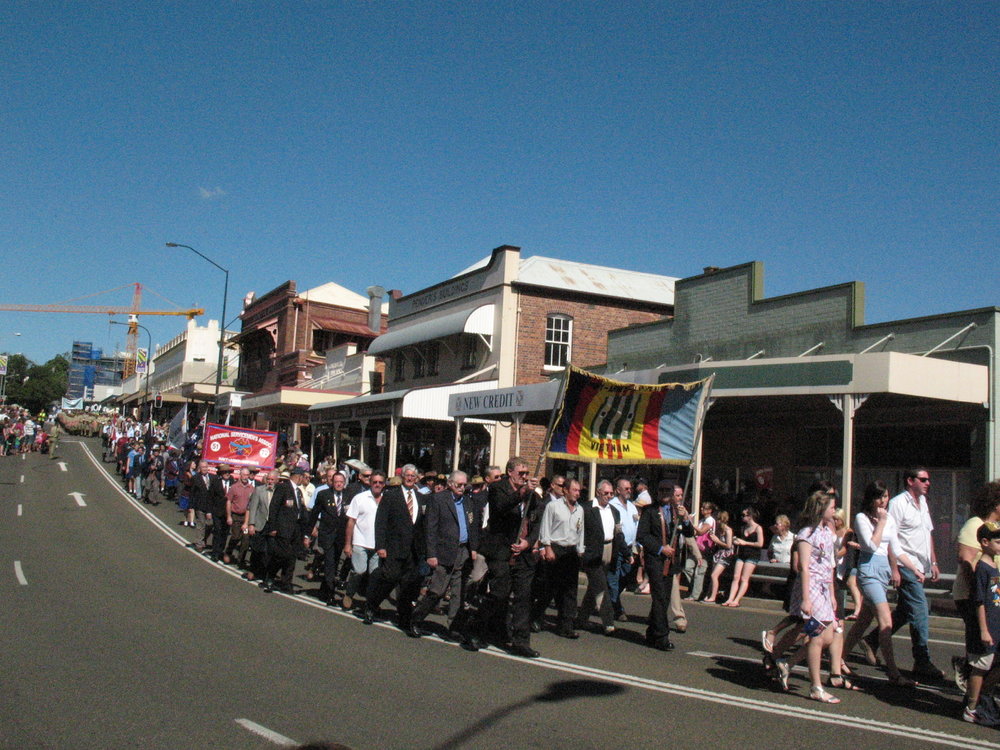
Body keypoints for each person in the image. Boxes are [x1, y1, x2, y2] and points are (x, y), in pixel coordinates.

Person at [862, 468, 944, 680]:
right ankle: (922, 660)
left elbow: (928, 533)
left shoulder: (923, 503)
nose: (928, 483)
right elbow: (890, 538)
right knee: (920, 607)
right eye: (923, 479)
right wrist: (896, 568)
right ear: (910, 481)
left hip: (919, 564)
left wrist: (933, 561)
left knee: (907, 610)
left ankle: (872, 640)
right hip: (905, 564)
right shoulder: (898, 504)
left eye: (928, 480)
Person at [841, 480, 923, 686]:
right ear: (870, 499)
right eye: (879, 497)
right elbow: (870, 546)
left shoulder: (889, 519)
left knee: (863, 622)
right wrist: (881, 523)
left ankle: (839, 658)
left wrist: (913, 568)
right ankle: (893, 673)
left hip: (883, 572)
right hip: (868, 572)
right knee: (886, 622)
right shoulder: (862, 518)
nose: (883, 501)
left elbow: (896, 548)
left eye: (885, 496)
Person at [775, 490, 852, 703]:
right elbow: (805, 567)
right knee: (818, 637)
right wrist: (806, 599)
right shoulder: (806, 534)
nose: (834, 512)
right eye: (831, 508)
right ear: (820, 510)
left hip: (825, 589)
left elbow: (829, 565)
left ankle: (787, 664)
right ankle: (816, 686)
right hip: (811, 588)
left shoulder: (828, 533)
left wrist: (833, 595)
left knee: (828, 636)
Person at [408, 471, 483, 650]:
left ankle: (454, 628)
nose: (462, 488)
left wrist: (473, 548)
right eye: (458, 485)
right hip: (444, 552)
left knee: (458, 593)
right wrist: (431, 554)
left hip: (462, 552)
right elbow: (430, 528)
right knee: (437, 590)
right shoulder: (438, 500)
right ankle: (415, 619)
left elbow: (472, 526)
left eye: (465, 485)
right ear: (450, 484)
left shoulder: (468, 501)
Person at [477, 456, 542, 658]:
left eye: (527, 474)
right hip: (500, 551)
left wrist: (528, 542)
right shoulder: (498, 488)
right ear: (510, 472)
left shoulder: (533, 497)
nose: (524, 477)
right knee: (500, 593)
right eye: (521, 473)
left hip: (522, 554)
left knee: (523, 597)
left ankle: (521, 641)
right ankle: (477, 627)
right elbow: (501, 507)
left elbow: (536, 523)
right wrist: (523, 493)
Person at [951, 480, 1000, 693]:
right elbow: (966, 559)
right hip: (973, 596)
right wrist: (979, 592)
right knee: (982, 645)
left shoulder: (996, 529)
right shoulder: (975, 525)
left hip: (993, 596)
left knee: (990, 646)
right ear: (995, 503)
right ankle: (973, 696)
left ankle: (979, 691)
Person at [363, 464, 426, 630]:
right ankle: (372, 606)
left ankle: (404, 617)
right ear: (402, 477)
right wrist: (380, 546)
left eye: (413, 475)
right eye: (408, 475)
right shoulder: (391, 496)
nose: (410, 478)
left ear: (417, 477)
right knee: (389, 579)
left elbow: (422, 526)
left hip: (413, 551)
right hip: (394, 548)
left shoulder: (421, 497)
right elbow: (381, 522)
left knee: (407, 585)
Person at [637, 479, 693, 651]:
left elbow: (690, 533)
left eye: (668, 491)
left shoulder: (678, 511)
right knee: (659, 597)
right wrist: (661, 548)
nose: (664, 494)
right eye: (661, 491)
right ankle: (662, 637)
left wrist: (685, 519)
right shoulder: (650, 511)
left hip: (672, 562)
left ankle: (652, 632)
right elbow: (642, 536)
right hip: (656, 560)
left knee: (664, 599)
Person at [961, 521, 1000, 725]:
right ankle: (972, 707)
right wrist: (984, 630)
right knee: (981, 666)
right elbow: (979, 602)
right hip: (985, 629)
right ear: (984, 542)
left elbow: (995, 598)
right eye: (997, 541)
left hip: (996, 626)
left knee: (993, 665)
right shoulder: (982, 569)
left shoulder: (994, 567)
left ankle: (984, 699)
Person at [538, 478, 586, 639]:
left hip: (571, 552)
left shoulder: (579, 509)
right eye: (574, 490)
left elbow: (581, 531)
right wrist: (547, 547)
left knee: (570, 590)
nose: (577, 494)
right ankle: (536, 616)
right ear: (565, 490)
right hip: (556, 549)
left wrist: (580, 549)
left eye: (579, 491)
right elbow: (545, 528)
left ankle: (566, 626)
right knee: (550, 588)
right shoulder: (553, 507)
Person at [576, 480, 622, 634]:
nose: (608, 496)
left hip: (609, 549)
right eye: (606, 493)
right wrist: (581, 549)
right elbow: (579, 530)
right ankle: (608, 622)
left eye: (611, 493)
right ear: (598, 492)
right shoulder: (586, 508)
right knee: (602, 586)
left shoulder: (614, 511)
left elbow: (618, 533)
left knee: (594, 588)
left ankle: (581, 619)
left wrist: (626, 553)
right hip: (592, 552)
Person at [342, 470, 386, 611]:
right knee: (359, 571)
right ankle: (349, 594)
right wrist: (348, 544)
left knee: (375, 576)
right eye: (375, 482)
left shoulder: (388, 500)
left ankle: (371, 603)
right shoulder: (359, 498)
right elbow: (351, 522)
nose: (377, 485)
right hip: (360, 542)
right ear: (370, 482)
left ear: (384, 484)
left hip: (378, 545)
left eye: (380, 482)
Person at [263, 470, 310, 593]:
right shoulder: (283, 488)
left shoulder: (299, 492)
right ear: (298, 477)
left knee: (291, 558)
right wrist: (273, 527)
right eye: (303, 477)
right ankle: (270, 577)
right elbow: (274, 507)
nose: (304, 479)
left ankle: (286, 583)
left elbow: (301, 511)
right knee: (281, 555)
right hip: (283, 528)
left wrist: (307, 530)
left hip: (296, 530)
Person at [308, 471, 350, 605]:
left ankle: (324, 588)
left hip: (340, 537)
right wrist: (309, 532)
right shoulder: (323, 495)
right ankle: (330, 594)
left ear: (344, 483)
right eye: (336, 481)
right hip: (327, 535)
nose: (338, 484)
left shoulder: (348, 496)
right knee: (330, 563)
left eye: (341, 482)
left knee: (335, 562)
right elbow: (314, 514)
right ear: (332, 482)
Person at [608, 477, 639, 622]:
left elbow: (636, 525)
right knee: (613, 579)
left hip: (630, 548)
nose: (629, 491)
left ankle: (610, 600)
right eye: (626, 488)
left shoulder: (632, 506)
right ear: (618, 490)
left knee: (625, 578)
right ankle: (616, 609)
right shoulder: (612, 505)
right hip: (617, 547)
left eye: (630, 488)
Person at [722, 506, 764, 607]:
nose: (742, 517)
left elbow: (760, 544)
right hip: (742, 554)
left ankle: (737, 600)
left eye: (744, 515)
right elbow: (740, 541)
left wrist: (745, 543)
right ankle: (730, 598)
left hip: (752, 555)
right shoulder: (743, 527)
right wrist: (736, 541)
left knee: (744, 578)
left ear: (750, 516)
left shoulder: (758, 528)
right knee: (736, 577)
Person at [245, 469, 278, 582]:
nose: (270, 481)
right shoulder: (259, 490)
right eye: (268, 479)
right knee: (256, 549)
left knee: (268, 551)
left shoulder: (279, 492)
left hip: (271, 525)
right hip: (260, 523)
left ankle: (264, 573)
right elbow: (253, 508)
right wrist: (251, 524)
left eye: (272, 480)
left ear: (276, 480)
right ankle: (253, 570)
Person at [223, 467, 254, 567]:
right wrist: (229, 516)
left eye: (247, 475)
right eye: (244, 475)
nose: (246, 477)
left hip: (246, 517)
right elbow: (228, 501)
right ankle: (228, 551)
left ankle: (241, 559)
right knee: (236, 537)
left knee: (246, 540)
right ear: (240, 475)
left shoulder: (251, 488)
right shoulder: (234, 487)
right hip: (236, 516)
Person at [704, 510, 733, 603]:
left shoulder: (728, 530)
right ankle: (709, 594)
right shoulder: (719, 530)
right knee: (712, 575)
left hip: (726, 555)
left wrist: (717, 540)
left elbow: (728, 545)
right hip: (719, 553)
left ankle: (713, 597)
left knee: (714, 575)